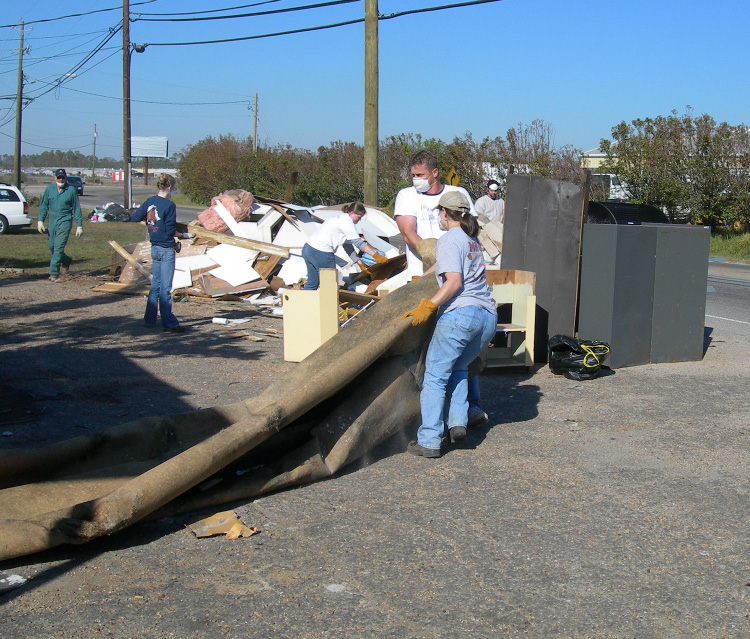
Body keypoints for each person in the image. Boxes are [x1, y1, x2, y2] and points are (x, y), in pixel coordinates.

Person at [401, 191, 498, 458]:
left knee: (434, 377)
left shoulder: (448, 240)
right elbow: (447, 269)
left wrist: (429, 305)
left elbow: (454, 281)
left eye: (439, 213)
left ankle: (430, 440)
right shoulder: (472, 240)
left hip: (460, 316)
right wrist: (422, 279)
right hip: (487, 317)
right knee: (459, 367)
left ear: (444, 212)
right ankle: (458, 424)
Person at [393, 149, 475, 279]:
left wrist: (449, 257)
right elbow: (407, 233)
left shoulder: (458, 193)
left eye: (420, 175)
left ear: (435, 172)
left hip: (457, 273)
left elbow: (470, 229)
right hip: (420, 275)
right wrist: (432, 254)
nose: (416, 179)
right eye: (413, 175)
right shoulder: (407, 195)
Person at [131, 173, 186, 333]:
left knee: (155, 284)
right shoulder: (169, 206)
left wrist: (151, 225)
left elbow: (135, 217)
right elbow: (170, 231)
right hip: (166, 249)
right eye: (173, 188)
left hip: (154, 247)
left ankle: (149, 319)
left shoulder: (150, 202)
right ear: (169, 187)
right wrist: (182, 235)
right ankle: (169, 323)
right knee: (165, 288)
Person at [302, 202, 387, 289]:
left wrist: (358, 261)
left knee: (312, 283)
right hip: (321, 252)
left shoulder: (339, 218)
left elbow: (347, 245)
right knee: (330, 285)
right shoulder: (347, 222)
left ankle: (305, 302)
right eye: (359, 217)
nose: (359, 220)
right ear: (352, 213)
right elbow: (358, 243)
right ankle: (329, 302)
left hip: (308, 248)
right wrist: (376, 256)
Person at [37, 169, 83, 282]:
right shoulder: (49, 190)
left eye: (62, 177)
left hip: (65, 220)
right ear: (55, 178)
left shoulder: (71, 190)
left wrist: (79, 225)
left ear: (65, 178)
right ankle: (66, 260)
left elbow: (76, 208)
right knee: (51, 245)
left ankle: (53, 273)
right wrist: (40, 220)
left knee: (58, 247)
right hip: (52, 221)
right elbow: (43, 205)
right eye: (59, 177)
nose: (61, 180)